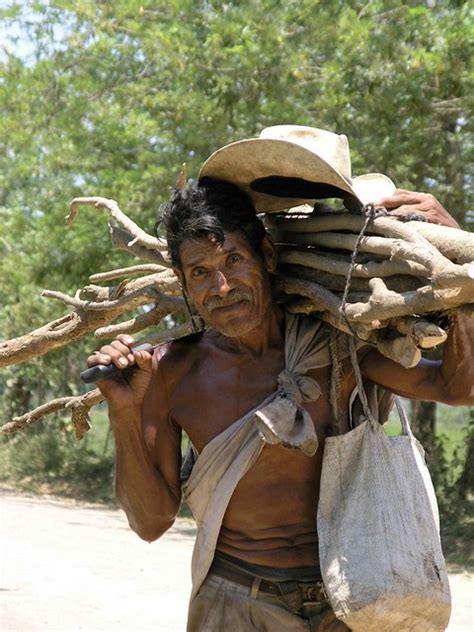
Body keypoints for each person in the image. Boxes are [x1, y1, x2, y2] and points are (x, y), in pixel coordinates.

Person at [87, 127, 473, 631]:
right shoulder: (171, 372)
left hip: (353, 595)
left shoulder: (338, 344)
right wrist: (122, 410)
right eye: (200, 273)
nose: (221, 286)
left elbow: (459, 388)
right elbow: (150, 523)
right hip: (237, 601)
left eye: (233, 261)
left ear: (266, 258)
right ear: (183, 284)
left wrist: (460, 271)